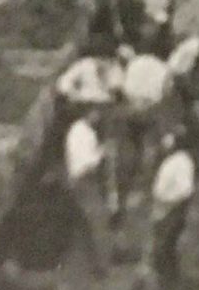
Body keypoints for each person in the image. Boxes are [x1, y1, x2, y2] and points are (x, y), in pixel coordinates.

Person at [143, 135, 198, 290]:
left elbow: (185, 190)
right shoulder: (171, 161)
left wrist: (167, 205)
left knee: (163, 252)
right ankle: (169, 288)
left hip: (171, 212)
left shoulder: (182, 161)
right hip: (163, 211)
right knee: (164, 252)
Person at [118, 44, 174, 206]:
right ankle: (146, 182)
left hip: (142, 110)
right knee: (152, 146)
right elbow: (168, 78)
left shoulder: (129, 73)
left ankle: (140, 187)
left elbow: (129, 95)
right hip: (156, 106)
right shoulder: (150, 59)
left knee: (140, 148)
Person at [64, 110, 113, 266]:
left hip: (80, 179)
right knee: (98, 220)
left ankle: (98, 260)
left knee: (90, 222)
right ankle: (101, 264)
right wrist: (102, 152)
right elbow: (88, 163)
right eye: (96, 112)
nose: (99, 116)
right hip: (84, 179)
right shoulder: (84, 133)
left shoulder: (79, 129)